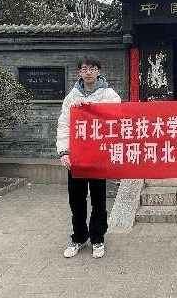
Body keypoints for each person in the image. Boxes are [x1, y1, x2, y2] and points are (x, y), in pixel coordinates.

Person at [56, 56, 121, 258]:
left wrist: (92, 108)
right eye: (85, 69)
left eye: (92, 68)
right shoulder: (71, 97)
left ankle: (97, 238)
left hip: (97, 156)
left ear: (99, 71)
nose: (89, 72)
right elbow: (64, 126)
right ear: (79, 72)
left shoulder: (109, 95)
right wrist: (64, 152)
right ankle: (79, 237)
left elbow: (117, 117)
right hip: (76, 157)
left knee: (98, 200)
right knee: (76, 200)